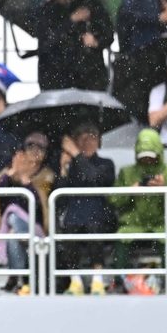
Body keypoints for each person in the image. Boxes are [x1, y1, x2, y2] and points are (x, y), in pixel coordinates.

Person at [110, 129, 167, 292]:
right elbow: (114, 200)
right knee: (121, 236)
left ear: (159, 153)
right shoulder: (127, 172)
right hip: (133, 222)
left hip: (163, 222)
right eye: (143, 155)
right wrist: (129, 191)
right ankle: (118, 282)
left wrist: (165, 190)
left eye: (151, 156)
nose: (147, 159)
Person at [53, 122, 117, 295]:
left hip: (100, 217)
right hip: (73, 218)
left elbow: (95, 179)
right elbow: (59, 199)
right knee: (71, 224)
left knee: (92, 223)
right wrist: (64, 170)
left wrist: (76, 154)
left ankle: (98, 278)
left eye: (92, 137)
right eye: (81, 137)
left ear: (99, 141)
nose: (87, 141)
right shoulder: (70, 166)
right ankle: (75, 280)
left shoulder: (106, 163)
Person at [0, 133, 52, 295]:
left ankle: (15, 277)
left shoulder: (47, 174)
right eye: (31, 146)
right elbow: (0, 195)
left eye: (41, 147)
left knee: (14, 219)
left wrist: (25, 180)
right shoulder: (8, 172)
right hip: (16, 230)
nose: (35, 150)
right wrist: (13, 172)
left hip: (36, 226)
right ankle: (25, 282)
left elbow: (38, 204)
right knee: (14, 237)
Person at [35, 0, 113, 92]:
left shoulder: (89, 4)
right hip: (57, 79)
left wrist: (96, 41)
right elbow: (47, 40)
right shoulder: (47, 12)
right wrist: (71, 21)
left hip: (89, 76)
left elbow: (108, 33)